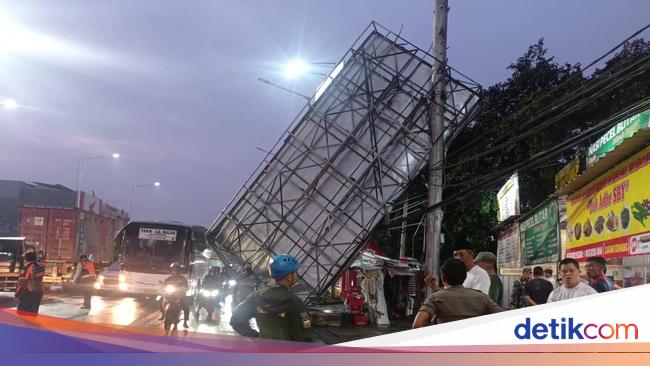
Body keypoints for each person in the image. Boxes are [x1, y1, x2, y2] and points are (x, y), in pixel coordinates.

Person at [230, 254, 311, 342]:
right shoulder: (295, 301)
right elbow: (306, 327)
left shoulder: (256, 296)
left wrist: (256, 337)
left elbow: (236, 320)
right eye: (295, 272)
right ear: (289, 277)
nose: (297, 275)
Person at [412, 258, 503, 328]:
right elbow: (503, 317)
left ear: (443, 279)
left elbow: (417, 325)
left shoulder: (435, 298)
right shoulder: (482, 298)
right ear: (465, 277)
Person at [160, 262, 190, 328]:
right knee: (160, 300)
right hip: (170, 295)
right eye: (173, 269)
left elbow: (187, 287)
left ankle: (185, 322)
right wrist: (162, 287)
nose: (175, 271)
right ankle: (162, 314)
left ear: (179, 270)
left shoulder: (183, 279)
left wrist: (184, 289)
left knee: (186, 307)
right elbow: (164, 285)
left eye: (176, 269)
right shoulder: (169, 278)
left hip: (180, 296)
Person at [15, 251, 45, 316]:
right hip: (38, 291)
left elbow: (22, 281)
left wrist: (17, 293)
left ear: (27, 259)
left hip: (28, 292)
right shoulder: (41, 266)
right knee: (33, 312)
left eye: (25, 258)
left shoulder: (27, 267)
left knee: (23, 313)